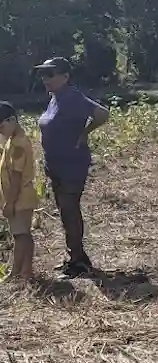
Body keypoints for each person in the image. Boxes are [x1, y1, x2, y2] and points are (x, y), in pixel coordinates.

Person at [34, 56, 109, 277]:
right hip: (56, 164)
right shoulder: (55, 98)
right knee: (66, 211)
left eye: (50, 74)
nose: (45, 79)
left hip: (71, 165)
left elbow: (102, 114)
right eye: (43, 74)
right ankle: (75, 256)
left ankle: (78, 262)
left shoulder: (72, 97)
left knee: (69, 209)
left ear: (65, 76)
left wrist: (84, 133)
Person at [0, 102, 38, 285]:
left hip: (19, 198)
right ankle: (26, 271)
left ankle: (17, 272)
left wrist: (10, 203)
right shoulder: (12, 140)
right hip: (21, 197)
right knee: (23, 234)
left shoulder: (18, 145)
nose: (1, 131)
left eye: (1, 126)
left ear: (12, 120)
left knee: (20, 235)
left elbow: (16, 178)